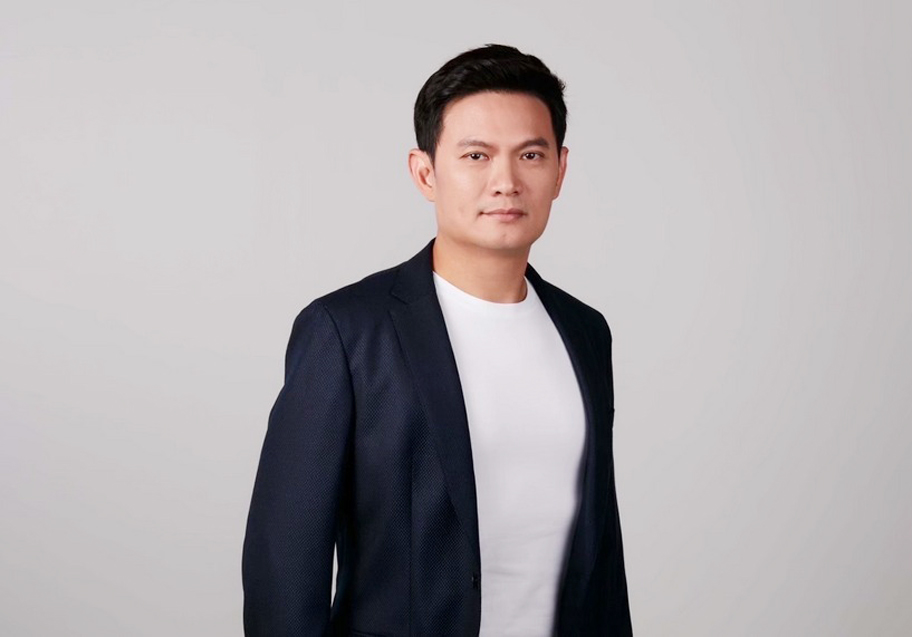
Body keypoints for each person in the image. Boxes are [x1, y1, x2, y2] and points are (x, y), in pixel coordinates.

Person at [242, 43, 632, 636]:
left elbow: (601, 556)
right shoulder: (347, 333)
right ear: (425, 172)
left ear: (560, 171)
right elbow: (285, 564)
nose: (505, 182)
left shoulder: (584, 332)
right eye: (476, 155)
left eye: (530, 155)